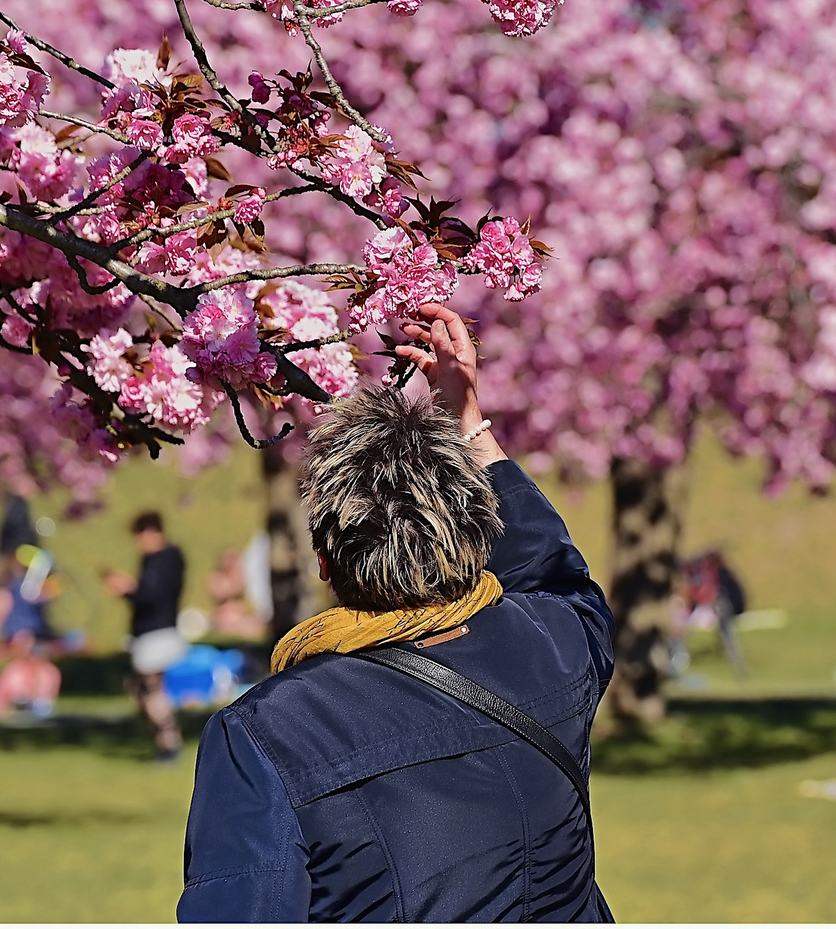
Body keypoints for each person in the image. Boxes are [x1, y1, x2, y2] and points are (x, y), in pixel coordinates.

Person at [177, 303, 615, 922]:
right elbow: (554, 573)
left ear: (325, 564)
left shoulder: (270, 732)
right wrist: (467, 422)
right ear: (475, 528)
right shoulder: (553, 648)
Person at [104, 511, 187, 761]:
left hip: (155, 634)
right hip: (158, 632)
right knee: (141, 688)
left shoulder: (159, 560)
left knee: (151, 690)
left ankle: (170, 742)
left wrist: (126, 590)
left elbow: (149, 598)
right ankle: (165, 740)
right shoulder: (171, 558)